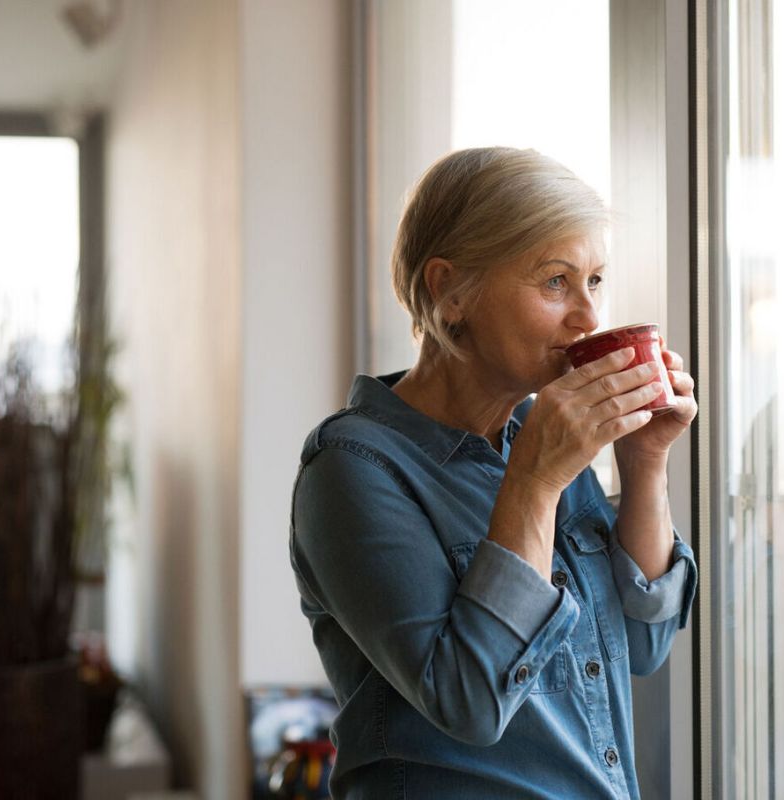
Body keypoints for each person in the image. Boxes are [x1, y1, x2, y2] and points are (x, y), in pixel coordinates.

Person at [289, 147, 698, 799]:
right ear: (449, 292)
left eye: (594, 281)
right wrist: (533, 484)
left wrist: (644, 461)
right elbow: (470, 703)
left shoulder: (539, 436)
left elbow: (643, 642)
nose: (589, 317)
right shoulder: (352, 469)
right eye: (555, 281)